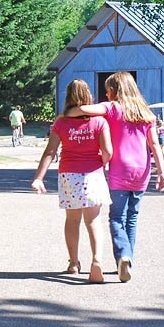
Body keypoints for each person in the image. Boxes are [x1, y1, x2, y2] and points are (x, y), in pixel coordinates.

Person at [67, 72, 164, 283]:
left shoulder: (112, 107)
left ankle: (123, 255)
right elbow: (155, 147)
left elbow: (85, 109)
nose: (106, 94)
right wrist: (162, 173)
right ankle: (127, 259)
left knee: (116, 217)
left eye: (107, 90)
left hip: (119, 170)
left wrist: (71, 111)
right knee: (132, 218)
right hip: (142, 170)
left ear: (114, 91)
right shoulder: (146, 114)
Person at [30, 80, 112, 283]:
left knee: (72, 220)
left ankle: (74, 263)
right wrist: (101, 161)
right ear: (88, 97)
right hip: (93, 174)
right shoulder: (100, 122)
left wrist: (39, 178)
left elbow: (50, 151)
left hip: (69, 176)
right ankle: (97, 261)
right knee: (93, 221)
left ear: (68, 97)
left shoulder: (61, 122)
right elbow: (108, 151)